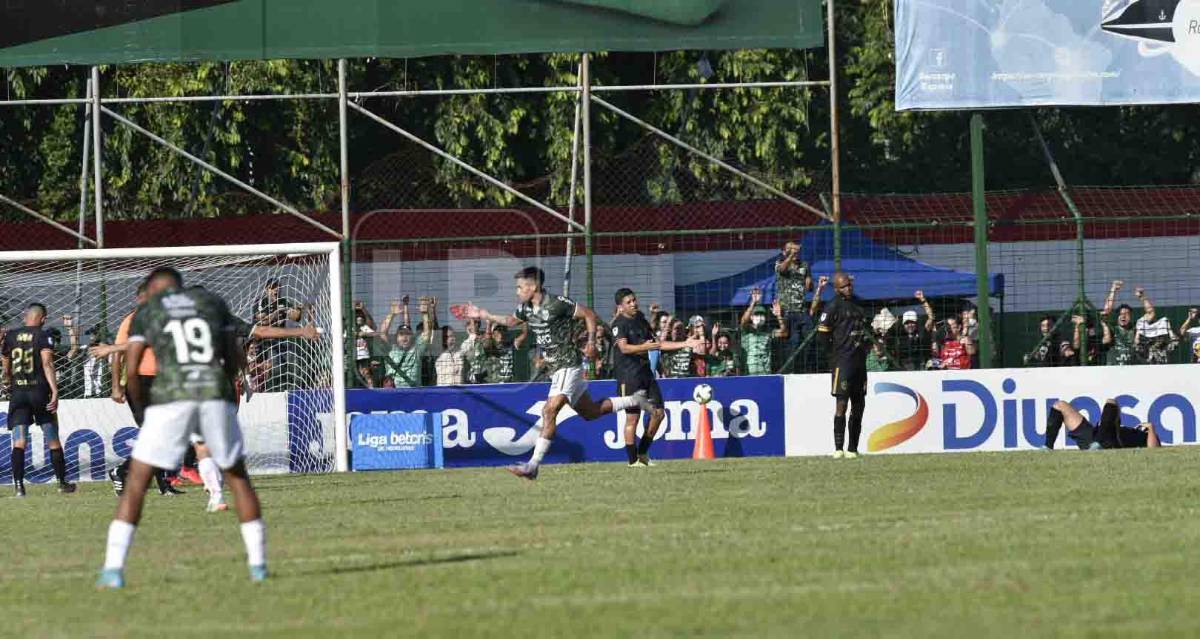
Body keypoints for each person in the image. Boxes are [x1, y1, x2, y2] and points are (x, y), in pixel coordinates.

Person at [96, 267, 268, 589]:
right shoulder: (211, 303)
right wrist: (229, 391)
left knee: (137, 482)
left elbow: (131, 369)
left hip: (170, 395)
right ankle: (258, 565)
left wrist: (141, 405)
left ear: (155, 289)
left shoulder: (148, 312)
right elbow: (233, 353)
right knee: (238, 478)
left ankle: (113, 569)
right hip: (213, 392)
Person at [458, 267, 652, 480]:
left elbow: (588, 313)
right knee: (590, 412)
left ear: (533, 286)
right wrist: (482, 314)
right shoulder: (526, 309)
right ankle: (635, 399)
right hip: (557, 368)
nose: (517, 291)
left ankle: (532, 466)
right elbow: (510, 321)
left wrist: (590, 342)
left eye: (520, 287)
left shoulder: (557, 302)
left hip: (567, 363)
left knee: (549, 411)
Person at [611, 288, 702, 466]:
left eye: (634, 300)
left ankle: (643, 453)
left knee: (659, 413)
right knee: (632, 418)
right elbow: (624, 348)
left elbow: (657, 344)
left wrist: (685, 343)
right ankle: (632, 461)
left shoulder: (640, 320)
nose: (633, 304)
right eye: (628, 302)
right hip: (628, 376)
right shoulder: (619, 324)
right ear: (620, 307)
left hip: (645, 373)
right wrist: (645, 347)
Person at [0, 303, 75, 496]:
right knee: (52, 439)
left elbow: (6, 360)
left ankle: (18, 487)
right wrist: (55, 391)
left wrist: (7, 378)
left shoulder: (11, 335)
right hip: (39, 392)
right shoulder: (44, 335)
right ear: (42, 319)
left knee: (19, 441)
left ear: (26, 316)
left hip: (19, 394)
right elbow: (48, 363)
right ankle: (61, 483)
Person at [817, 272, 870, 459]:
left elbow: (866, 330)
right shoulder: (832, 307)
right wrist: (833, 355)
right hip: (842, 362)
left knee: (859, 405)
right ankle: (838, 448)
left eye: (850, 285)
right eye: (845, 286)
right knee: (841, 404)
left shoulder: (858, 304)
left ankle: (853, 449)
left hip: (859, 362)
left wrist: (866, 347)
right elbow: (823, 334)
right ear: (837, 289)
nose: (849, 288)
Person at [1043, 398, 1161, 451]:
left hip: (1110, 443)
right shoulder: (1124, 429)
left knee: (1111, 402)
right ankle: (1048, 447)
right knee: (1060, 405)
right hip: (1094, 437)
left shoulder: (1146, 435)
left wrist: (1151, 428)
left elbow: (1153, 450)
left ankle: (1098, 444)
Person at [253, 279, 302, 391]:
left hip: (283, 340)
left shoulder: (283, 302)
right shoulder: (261, 301)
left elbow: (295, 318)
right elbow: (262, 321)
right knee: (275, 369)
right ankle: (272, 391)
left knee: (296, 367)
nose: (276, 290)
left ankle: (294, 391)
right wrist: (276, 314)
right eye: (272, 287)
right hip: (267, 341)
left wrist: (299, 309)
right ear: (266, 290)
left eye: (277, 287)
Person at [775, 240, 813, 372]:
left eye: (796, 250)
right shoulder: (780, 262)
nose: (794, 253)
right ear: (785, 252)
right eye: (790, 250)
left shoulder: (804, 265)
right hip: (788, 311)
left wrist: (809, 283)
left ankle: (806, 368)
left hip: (802, 310)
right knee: (792, 343)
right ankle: (790, 370)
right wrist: (791, 256)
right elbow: (782, 270)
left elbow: (809, 284)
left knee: (809, 340)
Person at [379, 297, 434, 387]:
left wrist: (425, 314)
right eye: (401, 334)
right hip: (394, 394)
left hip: (413, 394)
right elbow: (382, 333)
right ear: (396, 338)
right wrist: (392, 314)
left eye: (408, 334)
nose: (404, 336)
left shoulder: (417, 350)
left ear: (412, 337)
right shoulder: (391, 350)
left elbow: (427, 333)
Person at [738, 288, 788, 376]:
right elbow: (743, 321)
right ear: (751, 317)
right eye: (757, 314)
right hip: (749, 373)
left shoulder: (768, 332)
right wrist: (753, 302)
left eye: (762, 315)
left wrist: (778, 315)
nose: (760, 317)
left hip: (765, 372)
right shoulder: (746, 330)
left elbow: (784, 332)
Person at [887, 291, 936, 371]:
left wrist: (923, 300)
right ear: (903, 324)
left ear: (916, 323)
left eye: (912, 322)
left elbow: (931, 317)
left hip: (921, 366)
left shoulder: (922, 331)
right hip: (903, 368)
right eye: (907, 323)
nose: (910, 325)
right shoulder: (898, 334)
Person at [1133, 287, 1175, 364]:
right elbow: (1150, 312)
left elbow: (1151, 312)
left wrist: (1142, 297)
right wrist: (1142, 297)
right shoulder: (1141, 333)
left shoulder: (1166, 342)